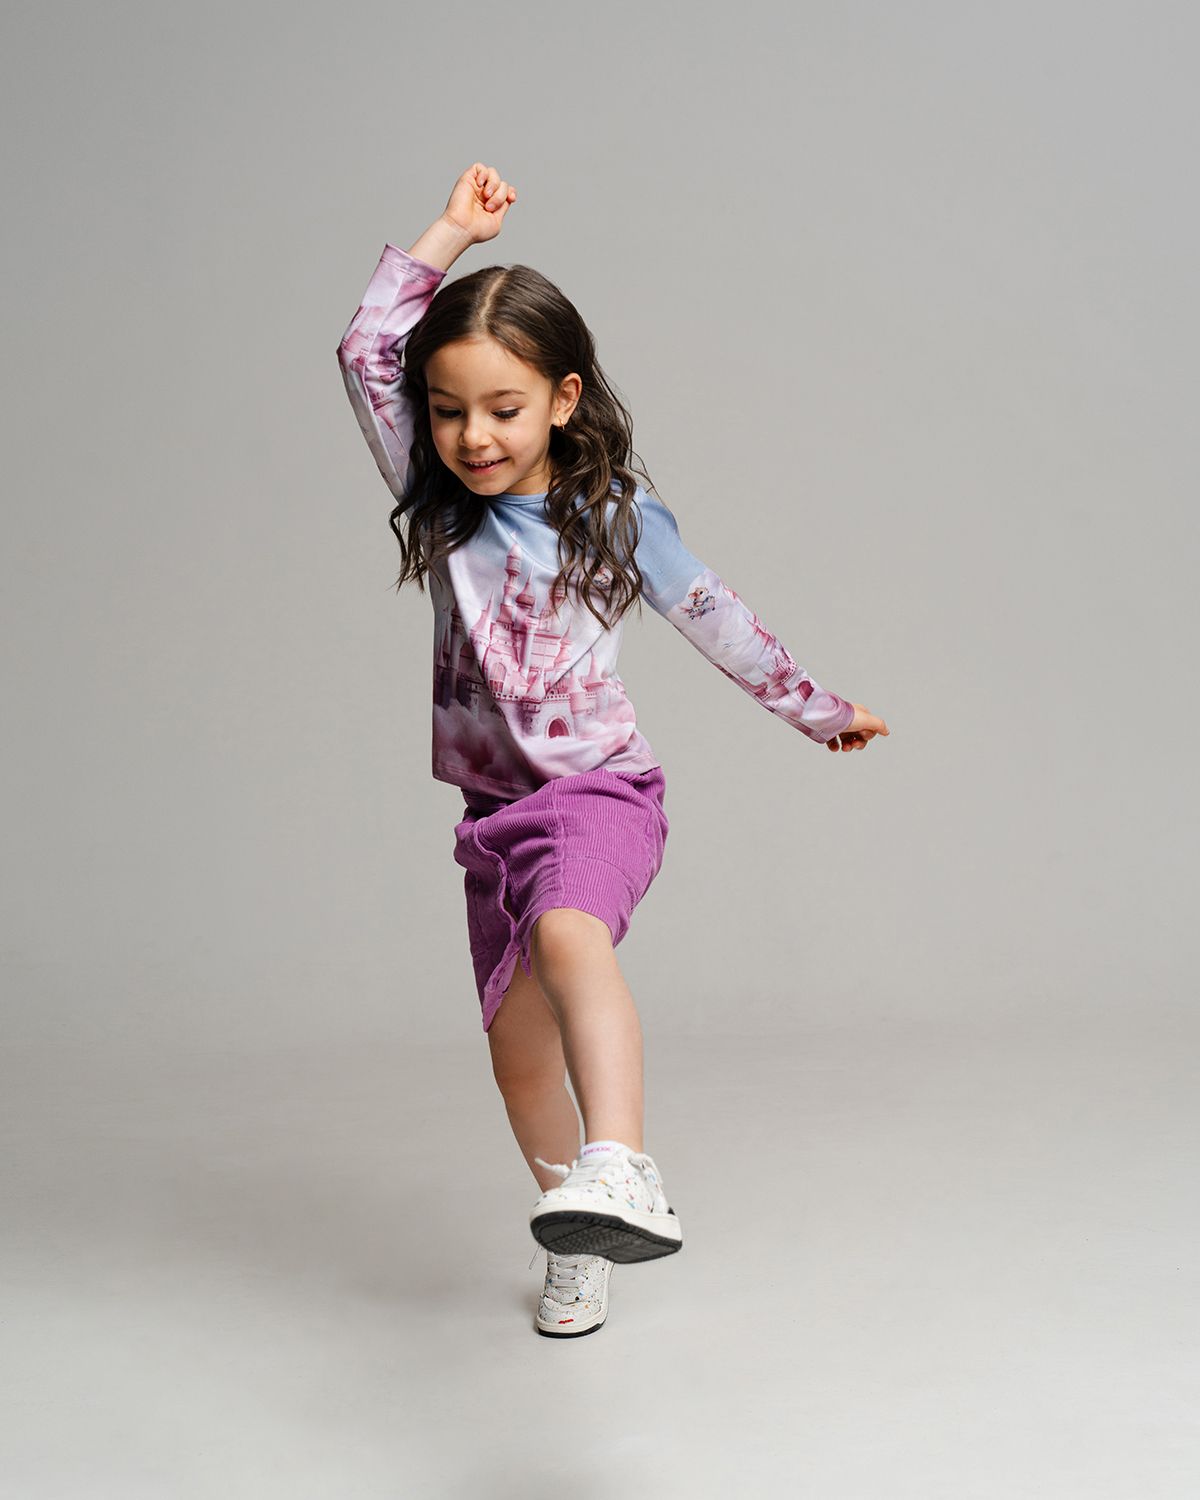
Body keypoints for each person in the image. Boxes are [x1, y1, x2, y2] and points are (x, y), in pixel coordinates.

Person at [335, 162, 890, 1339]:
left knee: (569, 933)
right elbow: (364, 350)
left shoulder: (614, 521)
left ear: (563, 398)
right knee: (517, 1058)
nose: (472, 435)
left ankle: (624, 1164)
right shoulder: (441, 503)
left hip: (600, 793)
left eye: (503, 408)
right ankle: (578, 1234)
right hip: (493, 819)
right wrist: (449, 233)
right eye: (448, 410)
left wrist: (817, 709)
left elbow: (718, 619)